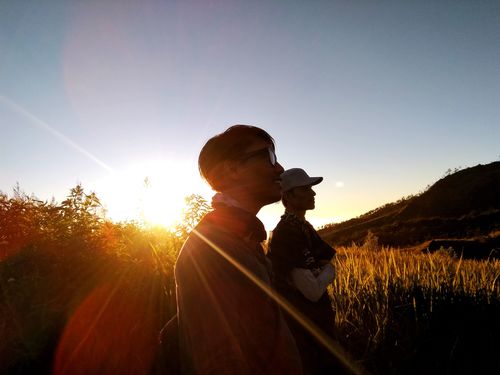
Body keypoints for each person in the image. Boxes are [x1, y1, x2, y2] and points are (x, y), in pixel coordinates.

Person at [174, 125, 303, 374]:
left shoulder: (240, 238)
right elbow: (219, 361)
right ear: (232, 169)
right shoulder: (213, 249)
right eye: (270, 157)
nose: (280, 168)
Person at [267, 168, 337, 374]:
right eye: (305, 189)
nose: (313, 193)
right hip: (306, 330)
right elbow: (312, 291)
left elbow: (323, 259)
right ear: (287, 196)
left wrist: (321, 270)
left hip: (316, 325)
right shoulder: (287, 234)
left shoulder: (302, 227)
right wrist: (329, 271)